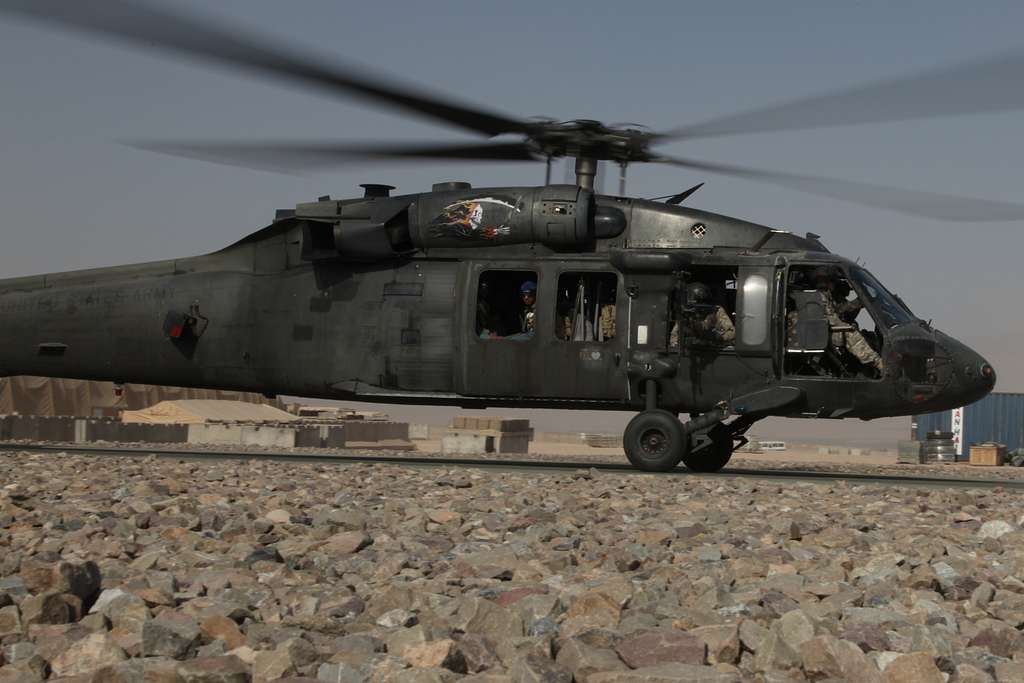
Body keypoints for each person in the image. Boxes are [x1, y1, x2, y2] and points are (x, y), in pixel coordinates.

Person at [811, 267, 883, 373]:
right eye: (833, 281)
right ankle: (878, 364)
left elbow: (843, 314)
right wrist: (853, 305)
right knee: (849, 332)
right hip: (819, 333)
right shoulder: (818, 297)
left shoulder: (829, 296)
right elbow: (834, 320)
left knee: (865, 334)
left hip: (823, 331)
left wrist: (858, 304)